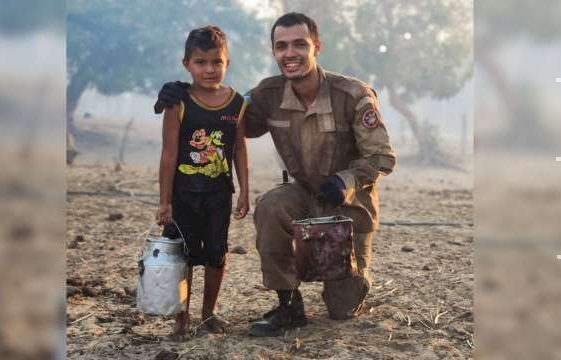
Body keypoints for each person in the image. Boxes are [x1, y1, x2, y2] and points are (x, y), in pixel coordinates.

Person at [154, 12, 396, 337]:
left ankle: (355, 280)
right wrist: (182, 91)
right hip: (303, 195)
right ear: (274, 52)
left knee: (342, 308)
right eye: (281, 46)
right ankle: (289, 304)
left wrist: (345, 181)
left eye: (299, 44)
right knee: (270, 206)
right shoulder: (268, 95)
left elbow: (382, 156)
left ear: (317, 46)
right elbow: (225, 110)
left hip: (348, 209)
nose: (290, 53)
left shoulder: (351, 95)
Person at [155, 25, 249, 341]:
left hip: (219, 194)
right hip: (183, 195)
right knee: (182, 257)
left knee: (216, 253)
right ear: (187, 64)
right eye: (201, 62)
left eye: (216, 62)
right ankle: (181, 318)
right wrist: (164, 201)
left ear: (227, 62)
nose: (209, 70)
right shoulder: (178, 102)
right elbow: (168, 154)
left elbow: (238, 148)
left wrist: (245, 190)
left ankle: (208, 313)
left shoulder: (237, 103)